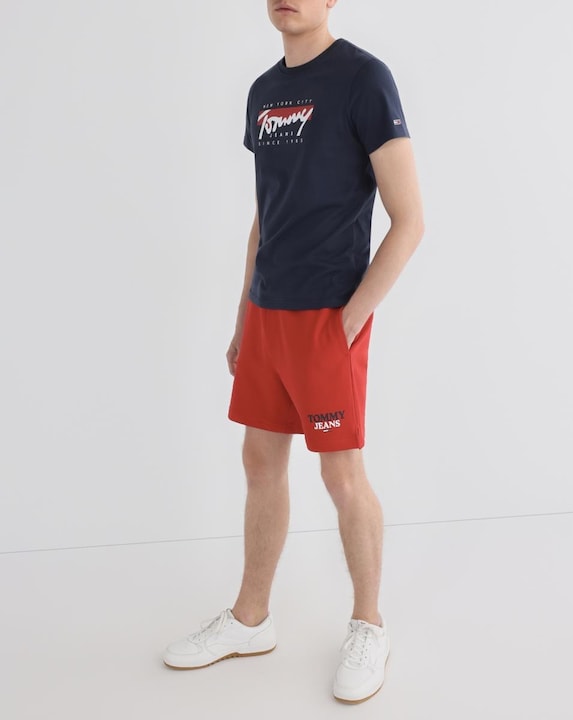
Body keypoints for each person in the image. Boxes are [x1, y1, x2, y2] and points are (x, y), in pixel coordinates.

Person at [163, 0, 424, 705]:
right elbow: (266, 214)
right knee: (259, 460)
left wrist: (351, 319)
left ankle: (369, 625)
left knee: (341, 473)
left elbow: (409, 220)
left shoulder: (365, 79)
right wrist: (243, 314)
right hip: (267, 311)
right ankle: (251, 619)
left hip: (327, 316)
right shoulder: (264, 91)